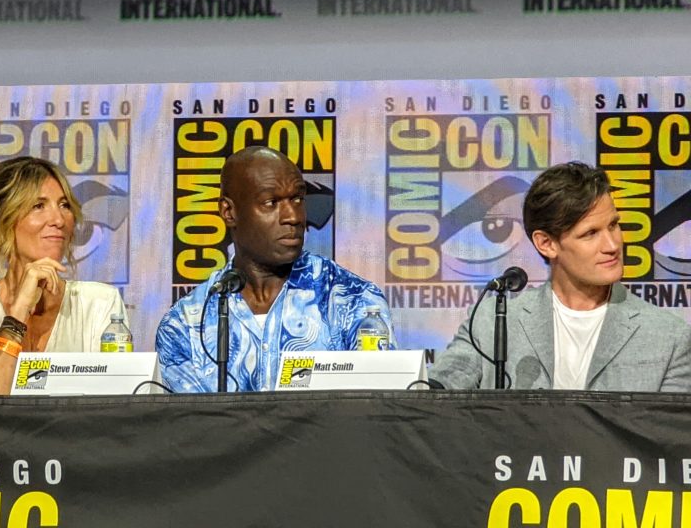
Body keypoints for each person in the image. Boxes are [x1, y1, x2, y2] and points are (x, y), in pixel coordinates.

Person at [430, 161, 691, 391]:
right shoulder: (493, 322)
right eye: (590, 233)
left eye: (613, 225)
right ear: (546, 244)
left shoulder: (670, 338)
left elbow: (668, 439)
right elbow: (431, 400)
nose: (612, 245)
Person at [156, 146, 394, 393]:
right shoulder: (185, 324)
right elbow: (190, 426)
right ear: (229, 212)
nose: (293, 216)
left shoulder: (353, 301)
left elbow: (376, 415)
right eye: (271, 202)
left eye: (298, 199)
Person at [0, 156, 126, 395]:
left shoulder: (100, 303)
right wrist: (17, 313)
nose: (58, 220)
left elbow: (117, 408)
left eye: (64, 205)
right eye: (38, 206)